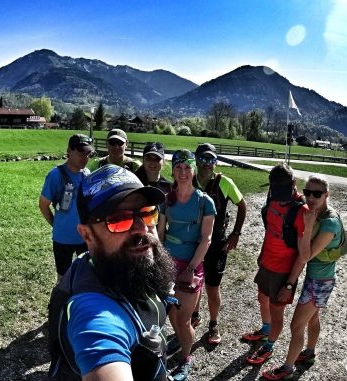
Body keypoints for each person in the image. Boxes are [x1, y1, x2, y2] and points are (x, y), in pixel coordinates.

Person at [48, 164, 175, 381]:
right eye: (118, 220)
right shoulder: (93, 313)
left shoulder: (115, 262)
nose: (142, 228)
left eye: (147, 214)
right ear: (87, 235)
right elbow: (100, 341)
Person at [262, 174, 342, 380]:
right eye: (307, 192)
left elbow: (305, 256)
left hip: (320, 283)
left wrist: (307, 227)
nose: (311, 197)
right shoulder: (317, 213)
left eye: (317, 194)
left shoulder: (329, 223)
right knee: (313, 318)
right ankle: (309, 353)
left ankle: (287, 370)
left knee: (296, 325)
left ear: (327, 195)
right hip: (316, 279)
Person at [242, 163, 309, 366]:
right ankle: (265, 329)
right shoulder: (273, 197)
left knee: (276, 308)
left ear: (294, 183)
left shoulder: (301, 211)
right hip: (267, 263)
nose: (281, 196)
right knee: (262, 297)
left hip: (283, 271)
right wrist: (262, 253)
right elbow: (270, 230)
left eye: (284, 190)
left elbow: (303, 254)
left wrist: (289, 285)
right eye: (277, 190)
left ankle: (269, 346)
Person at [158, 149, 215, 381]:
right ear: (173, 170)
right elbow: (160, 234)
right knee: (172, 316)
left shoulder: (205, 202)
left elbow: (207, 238)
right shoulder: (166, 200)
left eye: (187, 168)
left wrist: (191, 268)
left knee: (183, 319)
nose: (182, 172)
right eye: (178, 168)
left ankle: (185, 360)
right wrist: (159, 263)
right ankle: (182, 344)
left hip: (191, 266)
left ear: (193, 170)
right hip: (168, 263)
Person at [191, 143, 247, 345]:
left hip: (216, 244)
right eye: (204, 159)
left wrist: (236, 233)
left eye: (212, 160)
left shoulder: (224, 182)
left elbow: (242, 205)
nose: (208, 164)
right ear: (196, 160)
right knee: (194, 283)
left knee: (212, 288)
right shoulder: (188, 179)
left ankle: (213, 325)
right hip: (193, 243)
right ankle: (194, 316)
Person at [39, 134, 93, 282]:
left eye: (88, 154)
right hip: (63, 239)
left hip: (84, 238)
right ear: (69, 150)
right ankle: (60, 304)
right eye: (81, 153)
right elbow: (43, 204)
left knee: (86, 277)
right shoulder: (55, 175)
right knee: (63, 279)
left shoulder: (87, 174)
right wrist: (55, 224)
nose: (85, 157)